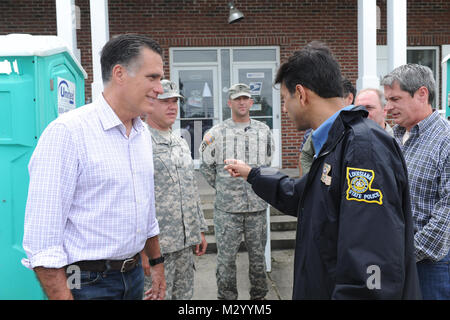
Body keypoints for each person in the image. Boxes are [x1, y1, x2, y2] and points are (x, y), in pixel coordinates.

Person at [224, 41, 421, 299]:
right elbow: (301, 195)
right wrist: (253, 174)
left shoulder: (362, 148)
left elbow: (370, 268)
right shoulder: (336, 142)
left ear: (302, 94)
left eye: (285, 100)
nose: (284, 109)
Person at [22, 34, 166, 300]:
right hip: (87, 284)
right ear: (120, 73)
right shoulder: (68, 133)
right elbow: (42, 243)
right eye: (152, 77)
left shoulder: (142, 133)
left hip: (133, 276)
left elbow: (146, 213)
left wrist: (156, 265)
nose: (160, 88)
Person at [199, 83, 275, 300]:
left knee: (259, 260)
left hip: (257, 208)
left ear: (251, 103)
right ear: (229, 103)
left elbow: (268, 165)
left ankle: (259, 299)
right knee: (225, 262)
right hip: (227, 211)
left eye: (245, 98)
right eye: (237, 99)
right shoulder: (216, 133)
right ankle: (227, 299)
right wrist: (224, 187)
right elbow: (206, 166)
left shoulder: (263, 131)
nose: (242, 102)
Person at [381, 64, 450, 299]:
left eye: (395, 99)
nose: (388, 107)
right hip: (398, 258)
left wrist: (402, 253)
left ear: (422, 94)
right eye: (387, 99)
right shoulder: (396, 136)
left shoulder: (446, 142)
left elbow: (446, 217)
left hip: (432, 267)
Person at [140, 79, 208, 300]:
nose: (172, 106)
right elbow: (134, 198)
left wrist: (199, 229)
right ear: (150, 104)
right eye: (165, 101)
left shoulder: (180, 141)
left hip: (184, 244)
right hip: (157, 249)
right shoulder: (139, 141)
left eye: (175, 102)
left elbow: (190, 188)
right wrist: (141, 252)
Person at [299, 77, 356, 177]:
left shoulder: (362, 128)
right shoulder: (320, 127)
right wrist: (311, 182)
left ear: (350, 98)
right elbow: (305, 156)